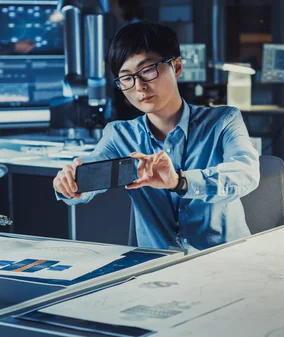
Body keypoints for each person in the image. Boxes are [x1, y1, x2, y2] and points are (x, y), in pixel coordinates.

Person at [53, 22, 260, 252]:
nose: (139, 86)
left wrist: (180, 181)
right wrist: (70, 183)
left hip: (223, 261)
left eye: (148, 70)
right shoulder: (120, 135)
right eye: (126, 78)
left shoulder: (223, 120)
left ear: (177, 66)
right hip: (157, 270)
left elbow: (246, 173)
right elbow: (91, 172)